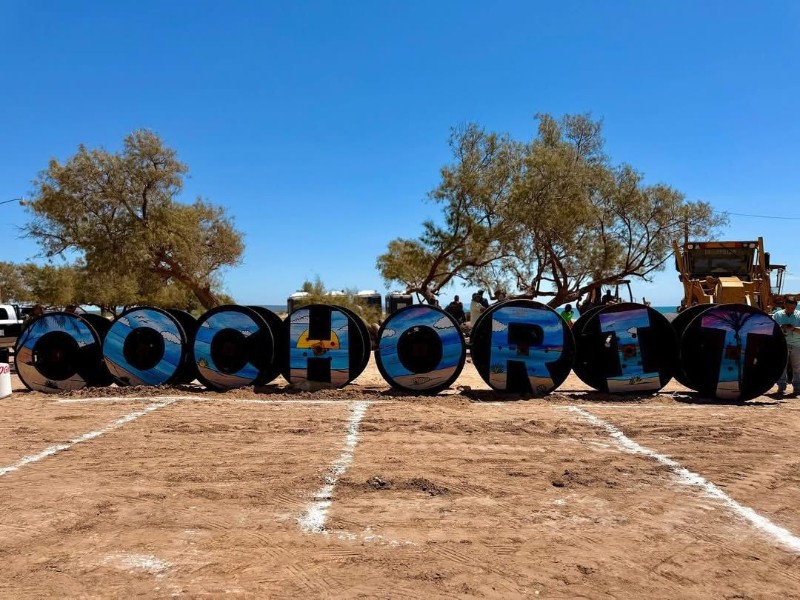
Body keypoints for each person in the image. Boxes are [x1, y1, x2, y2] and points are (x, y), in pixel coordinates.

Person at [773, 297, 800, 395]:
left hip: (797, 344)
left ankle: (797, 387)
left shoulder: (799, 315)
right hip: (782, 344)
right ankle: (781, 387)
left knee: (797, 367)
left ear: (795, 307)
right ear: (784, 305)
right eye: (788, 308)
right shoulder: (777, 315)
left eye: (792, 308)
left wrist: (793, 329)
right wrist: (781, 328)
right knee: (782, 366)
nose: (790, 310)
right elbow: (771, 328)